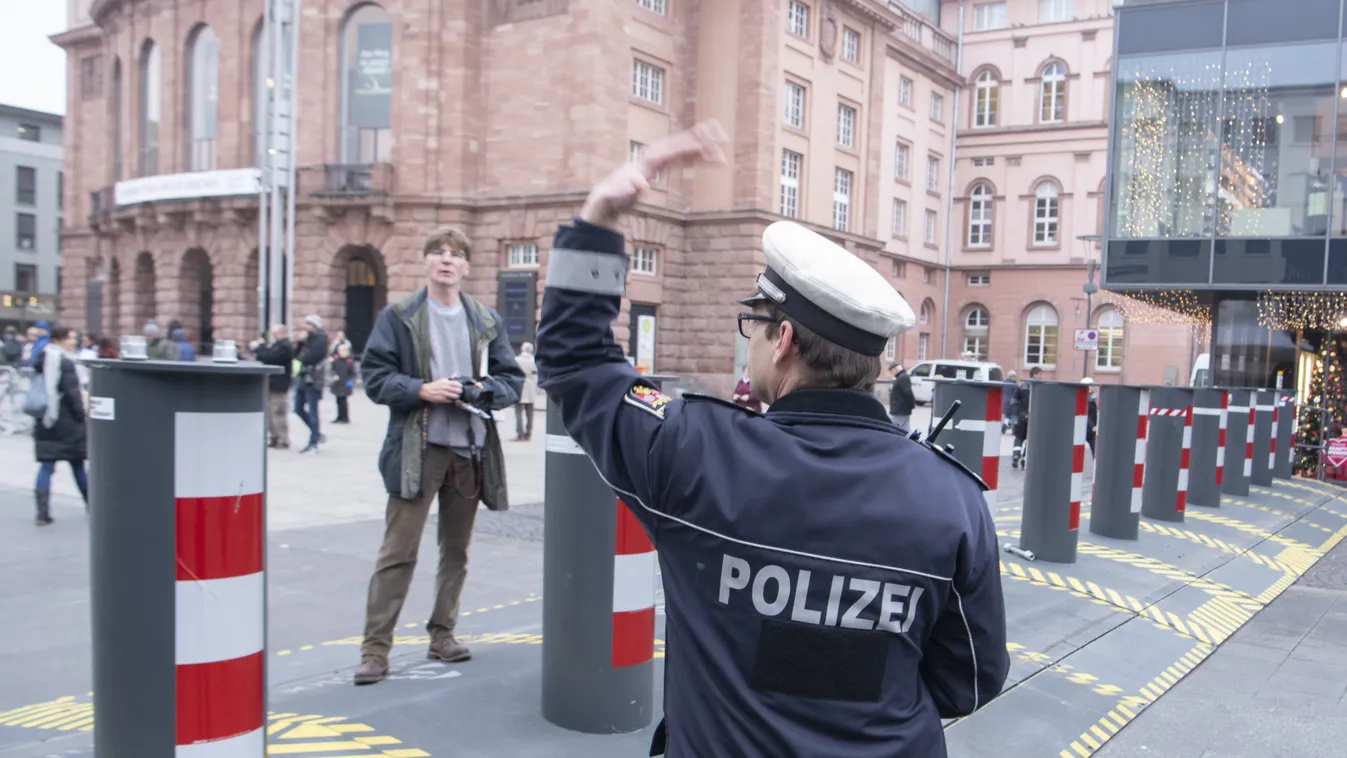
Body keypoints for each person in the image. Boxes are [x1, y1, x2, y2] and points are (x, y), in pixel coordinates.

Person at [535, 123, 1008, 757]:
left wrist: (597, 220)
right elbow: (968, 681)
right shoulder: (953, 497)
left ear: (781, 340)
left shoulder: (694, 451)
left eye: (753, 325)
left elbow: (575, 364)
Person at [353, 225, 524, 685]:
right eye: (438, 253)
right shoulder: (400, 315)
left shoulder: (485, 320)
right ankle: (375, 649)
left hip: (469, 451)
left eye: (455, 254)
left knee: (457, 551)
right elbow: (375, 378)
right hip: (418, 447)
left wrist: (482, 390)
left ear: (467, 267)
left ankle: (443, 633)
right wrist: (421, 389)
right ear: (426, 262)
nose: (447, 260)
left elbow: (511, 381)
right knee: (398, 551)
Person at [32, 326, 88, 524]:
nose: (74, 342)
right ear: (58, 339)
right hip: (68, 423)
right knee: (78, 465)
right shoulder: (65, 362)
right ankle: (93, 506)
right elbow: (73, 395)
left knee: (46, 465)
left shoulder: (41, 358)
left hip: (46, 419)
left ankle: (42, 513)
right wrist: (83, 416)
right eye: (71, 338)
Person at [252, 324, 294, 449]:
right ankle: (274, 437)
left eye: (275, 333)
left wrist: (260, 347)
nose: (273, 336)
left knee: (278, 412)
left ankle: (283, 438)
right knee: (270, 412)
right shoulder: (279, 345)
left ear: (281, 333)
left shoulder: (285, 346)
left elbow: (268, 357)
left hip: (279, 385)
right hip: (272, 383)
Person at [293, 315, 329, 454]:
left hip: (314, 379)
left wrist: (305, 343)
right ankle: (317, 433)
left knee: (313, 411)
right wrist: (300, 343)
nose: (305, 327)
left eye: (308, 324)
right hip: (303, 378)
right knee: (297, 408)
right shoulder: (307, 339)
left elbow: (311, 357)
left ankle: (313, 442)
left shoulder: (320, 338)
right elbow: (296, 355)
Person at [1011, 366, 1041, 469]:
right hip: (1033, 417)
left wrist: (1017, 413)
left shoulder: (1022, 385)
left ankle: (1016, 454)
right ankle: (1025, 457)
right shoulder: (1039, 387)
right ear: (1035, 374)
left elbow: (1014, 400)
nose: (1041, 377)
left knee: (1019, 437)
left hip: (1022, 416)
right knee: (1030, 438)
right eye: (1040, 374)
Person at [513, 342, 538, 440]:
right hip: (531, 388)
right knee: (530, 412)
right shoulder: (534, 361)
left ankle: (520, 433)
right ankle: (528, 432)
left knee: (518, 412)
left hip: (519, 387)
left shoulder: (516, 360)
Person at [331, 343, 356, 424]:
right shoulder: (336, 360)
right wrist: (334, 375)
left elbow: (352, 373)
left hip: (345, 383)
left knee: (343, 401)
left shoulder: (349, 360)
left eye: (342, 350)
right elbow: (332, 369)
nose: (340, 352)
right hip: (338, 383)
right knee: (338, 400)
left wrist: (349, 383)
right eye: (339, 350)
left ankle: (345, 417)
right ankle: (339, 416)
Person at [888, 362, 916, 430]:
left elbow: (907, 392)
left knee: (895, 427)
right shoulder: (902, 377)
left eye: (891, 371)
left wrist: (912, 403)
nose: (891, 373)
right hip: (902, 409)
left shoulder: (902, 377)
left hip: (900, 409)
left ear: (895, 369)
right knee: (905, 427)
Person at [1083, 377, 1098, 457]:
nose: (1094, 387)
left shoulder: (1091, 398)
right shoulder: (1088, 400)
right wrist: (1093, 426)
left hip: (1089, 431)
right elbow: (1087, 414)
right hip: (1088, 430)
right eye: (1092, 385)